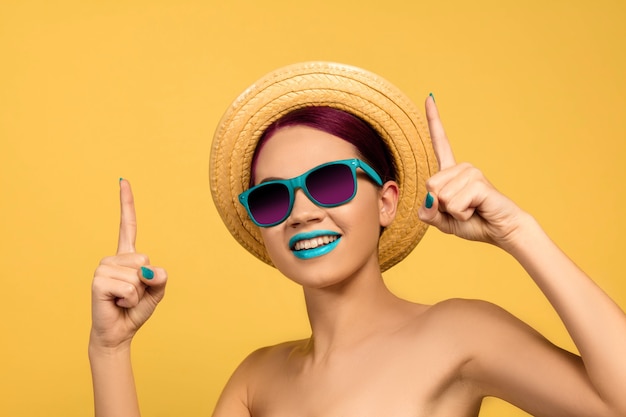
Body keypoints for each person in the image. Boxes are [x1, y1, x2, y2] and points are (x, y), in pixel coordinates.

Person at [89, 62, 626, 417]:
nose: (301, 212)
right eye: (274, 197)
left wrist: (518, 232)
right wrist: (110, 351)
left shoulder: (459, 332)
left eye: (328, 182)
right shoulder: (257, 380)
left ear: (387, 201)